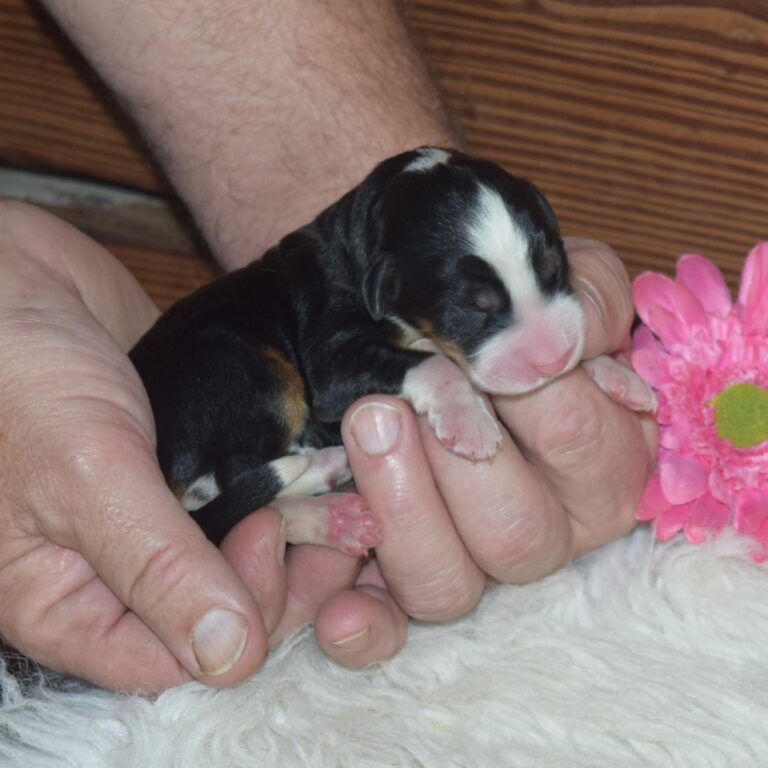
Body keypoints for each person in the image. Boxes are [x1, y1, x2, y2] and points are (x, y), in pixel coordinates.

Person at [0, 0, 657, 693]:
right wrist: (438, 380)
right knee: (261, 377)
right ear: (384, 288)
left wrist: (599, 373)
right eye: (480, 310)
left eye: (553, 277)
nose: (550, 340)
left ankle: (266, 499)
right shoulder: (344, 301)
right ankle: (256, 486)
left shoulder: (394, 268)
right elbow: (343, 375)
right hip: (197, 394)